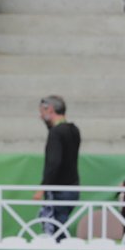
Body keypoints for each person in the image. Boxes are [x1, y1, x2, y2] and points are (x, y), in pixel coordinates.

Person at [34, 95, 81, 241]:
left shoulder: (56, 133)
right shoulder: (74, 130)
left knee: (55, 230)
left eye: (42, 112)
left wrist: (43, 187)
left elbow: (54, 162)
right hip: (73, 187)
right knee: (61, 226)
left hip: (59, 190)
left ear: (50, 110)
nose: (41, 116)